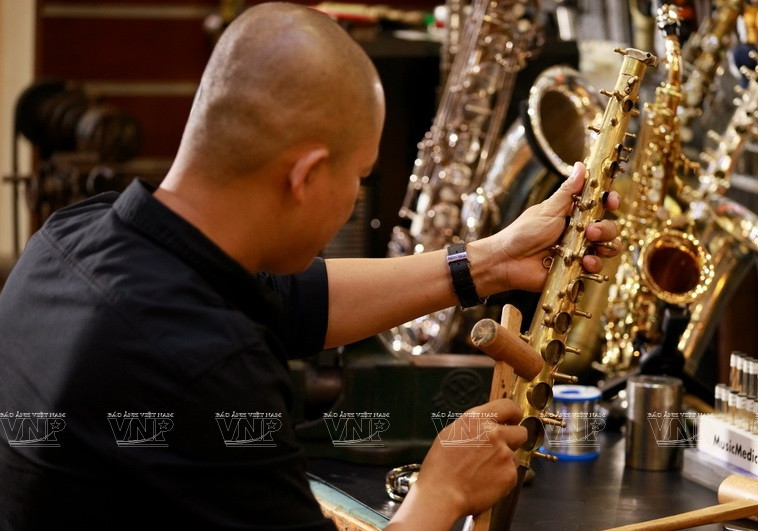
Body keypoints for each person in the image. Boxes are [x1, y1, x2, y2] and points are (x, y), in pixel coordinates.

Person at [0, 3, 622, 530]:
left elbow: (292, 299)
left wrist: (491, 261)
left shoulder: (72, 235)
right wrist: (441, 494)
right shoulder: (206, 369)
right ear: (304, 175)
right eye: (357, 176)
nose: (355, 194)